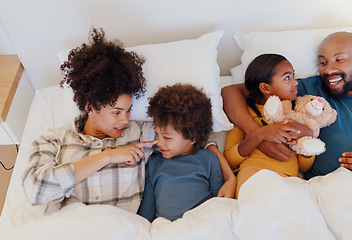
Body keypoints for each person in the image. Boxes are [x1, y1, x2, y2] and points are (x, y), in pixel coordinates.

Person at [221, 31, 352, 189]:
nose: (329, 70)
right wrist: (258, 134)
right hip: (320, 196)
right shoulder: (308, 89)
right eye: (323, 62)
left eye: (339, 59)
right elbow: (231, 92)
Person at [22, 28, 157, 213]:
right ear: (90, 107)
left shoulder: (140, 134)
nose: (125, 120)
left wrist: (211, 148)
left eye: (128, 110)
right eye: (116, 113)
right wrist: (107, 157)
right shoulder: (54, 140)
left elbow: (186, 134)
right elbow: (35, 191)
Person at [223, 54, 315, 197]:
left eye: (293, 76)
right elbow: (230, 159)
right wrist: (259, 135)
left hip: (290, 179)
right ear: (265, 88)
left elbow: (304, 166)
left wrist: (308, 134)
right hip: (253, 174)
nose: (295, 82)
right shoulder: (245, 114)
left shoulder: (295, 116)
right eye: (287, 78)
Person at [137, 84, 224, 222]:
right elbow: (147, 210)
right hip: (166, 228)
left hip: (202, 224)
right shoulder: (154, 162)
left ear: (192, 137)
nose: (159, 142)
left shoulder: (208, 159)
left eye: (167, 137)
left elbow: (219, 202)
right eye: (157, 134)